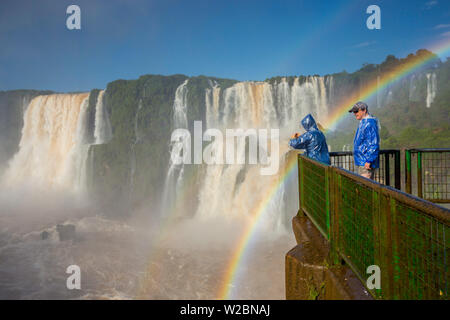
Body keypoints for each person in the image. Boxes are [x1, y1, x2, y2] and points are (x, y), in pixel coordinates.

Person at [348, 101, 380, 180]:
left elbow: (373, 143)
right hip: (361, 161)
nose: (355, 113)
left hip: (365, 162)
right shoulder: (363, 123)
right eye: (353, 112)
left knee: (365, 187)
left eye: (356, 111)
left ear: (364, 110)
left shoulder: (369, 124)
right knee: (363, 186)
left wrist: (369, 160)